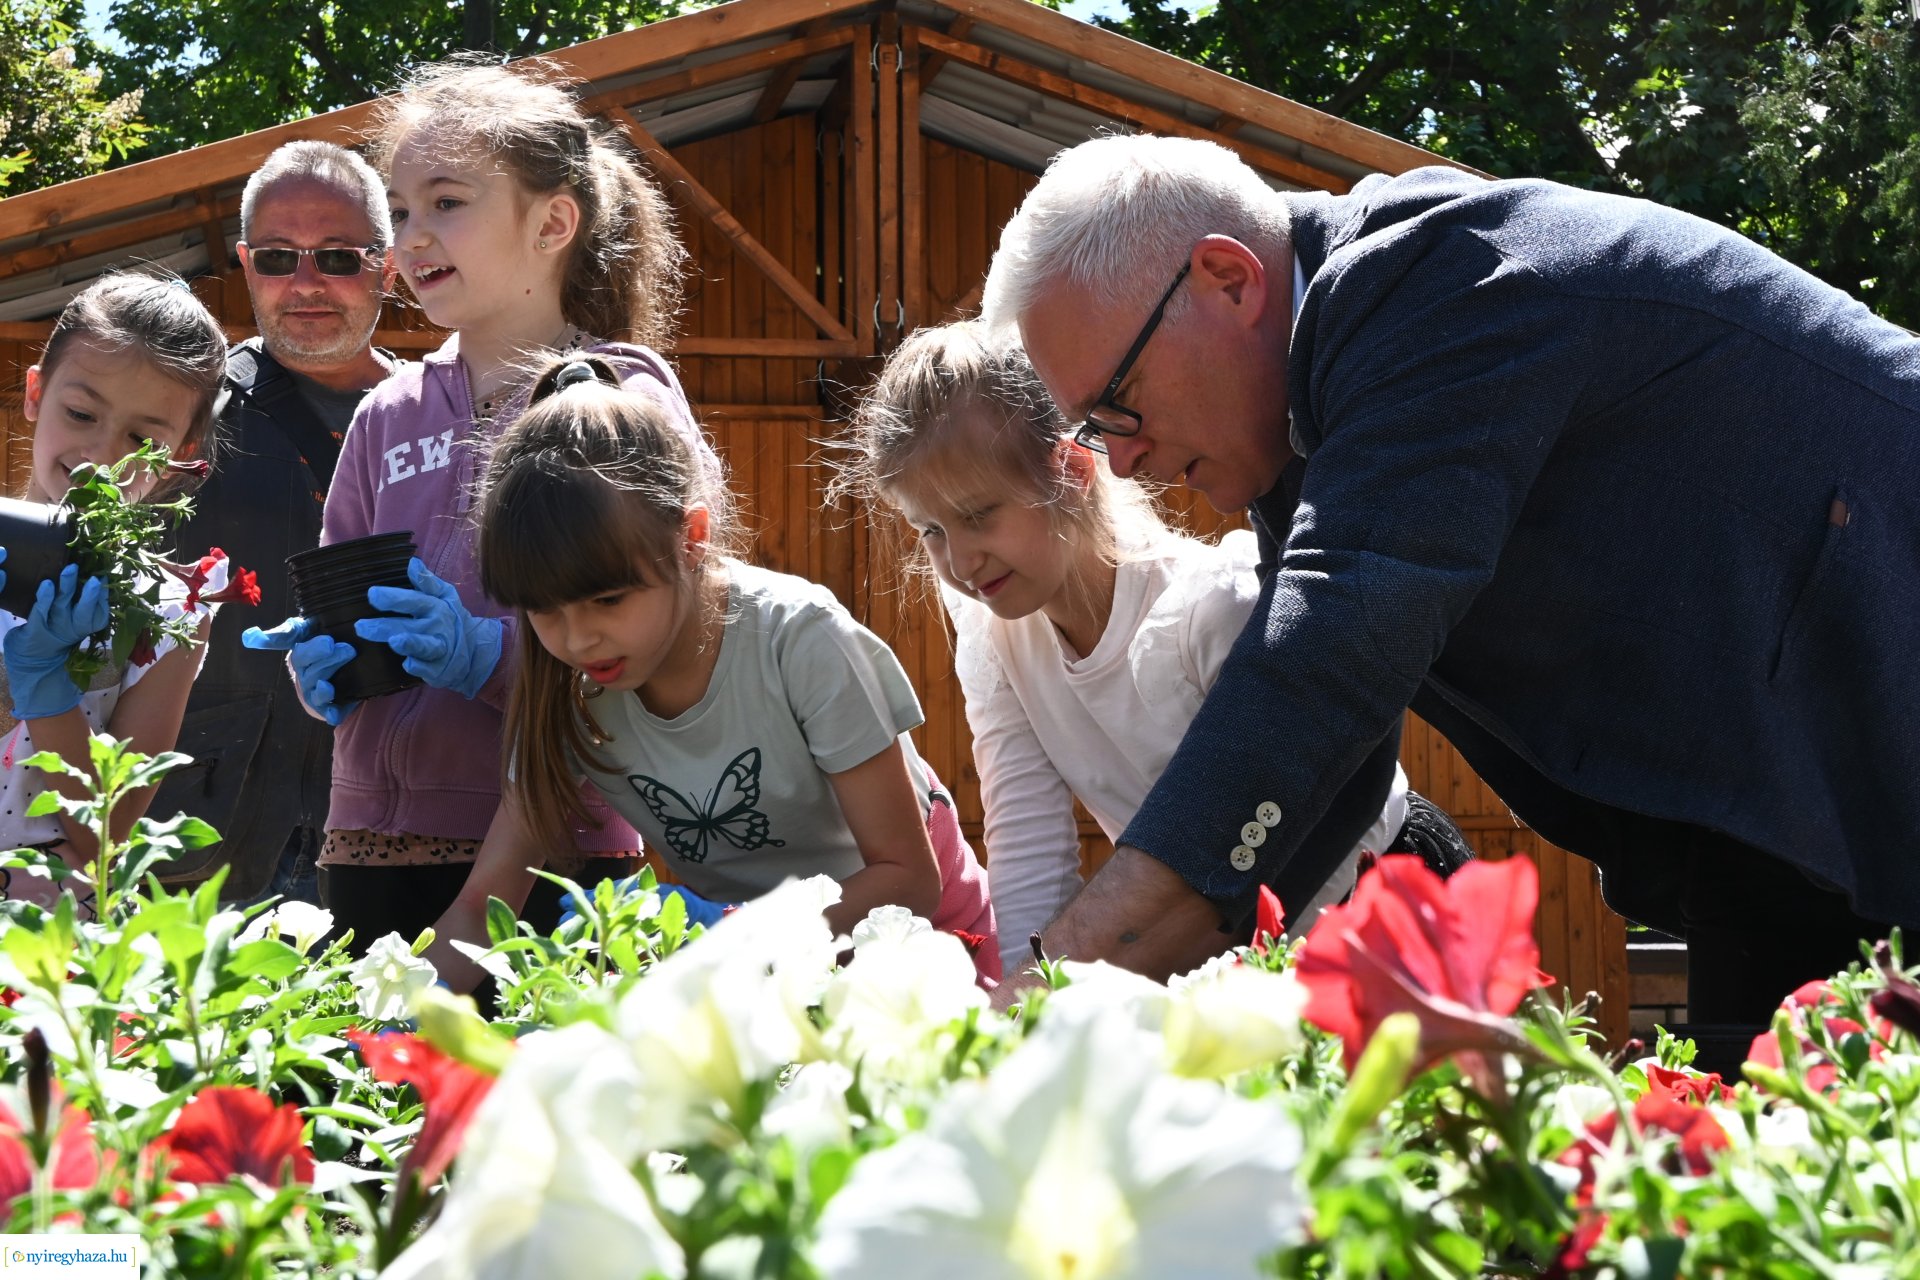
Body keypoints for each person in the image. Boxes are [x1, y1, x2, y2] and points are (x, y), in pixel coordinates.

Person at [979, 133, 1920, 1066]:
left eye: (1118, 403)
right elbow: (1326, 770)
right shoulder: (1301, 409)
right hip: (1781, 816)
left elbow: (1321, 671)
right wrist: (1176, 1003)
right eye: (1093, 430)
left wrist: (1041, 1005)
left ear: (1228, 278)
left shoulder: (1437, 287)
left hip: (1880, 696)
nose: (1125, 457)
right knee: (1784, 1160)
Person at [846, 320, 1471, 979]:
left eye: (978, 516)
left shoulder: (1208, 612)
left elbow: (1311, 842)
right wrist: (1026, 1014)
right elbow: (1030, 851)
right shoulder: (994, 636)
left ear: (1073, 468)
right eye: (931, 531)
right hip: (1210, 943)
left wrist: (1179, 979)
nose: (960, 560)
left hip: (1376, 900)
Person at [243, 61, 690, 952]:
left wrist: (483, 655)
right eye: (401, 210)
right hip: (361, 847)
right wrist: (322, 667)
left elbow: (661, 644)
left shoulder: (618, 390)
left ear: (553, 222)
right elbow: (339, 604)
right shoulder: (385, 414)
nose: (411, 237)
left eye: (446, 202)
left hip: (557, 853)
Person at [422, 357, 999, 992]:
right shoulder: (573, 695)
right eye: (544, 611)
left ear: (692, 537)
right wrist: (383, 1025)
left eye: (608, 600)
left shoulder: (799, 640)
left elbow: (908, 881)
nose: (579, 638)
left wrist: (728, 937)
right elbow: (480, 910)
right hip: (757, 984)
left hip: (926, 962)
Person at [151, 140, 399, 907]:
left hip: (396, 828)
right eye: (276, 257)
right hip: (201, 833)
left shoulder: (446, 422)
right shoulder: (181, 412)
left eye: (338, 257)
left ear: (388, 267)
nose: (306, 283)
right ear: (243, 263)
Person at [0, 274, 229, 912]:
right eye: (81, 413)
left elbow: (104, 833)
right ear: (34, 393)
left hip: (50, 951)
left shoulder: (171, 609)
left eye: (142, 439)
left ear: (180, 457)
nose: (103, 454)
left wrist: (45, 685)